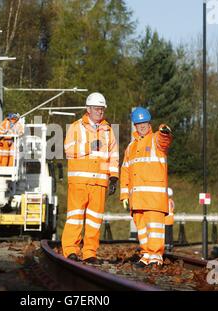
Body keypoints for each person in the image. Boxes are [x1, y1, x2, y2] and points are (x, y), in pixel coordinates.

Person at [61, 92, 119, 264]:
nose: (100, 112)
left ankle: (89, 253)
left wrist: (114, 177)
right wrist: (89, 146)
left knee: (94, 220)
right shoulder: (76, 127)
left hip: (100, 182)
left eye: (102, 109)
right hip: (79, 181)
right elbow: (68, 150)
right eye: (96, 109)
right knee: (75, 216)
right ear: (88, 109)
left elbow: (114, 155)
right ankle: (71, 250)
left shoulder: (108, 131)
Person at [120, 106, 172, 267]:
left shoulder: (156, 139)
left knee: (154, 227)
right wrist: (124, 195)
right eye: (138, 123)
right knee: (142, 229)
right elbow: (125, 171)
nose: (142, 126)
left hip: (153, 198)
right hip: (137, 198)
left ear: (149, 123)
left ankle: (156, 257)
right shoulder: (131, 147)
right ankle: (146, 254)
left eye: (144, 123)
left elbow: (165, 140)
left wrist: (164, 131)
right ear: (135, 125)